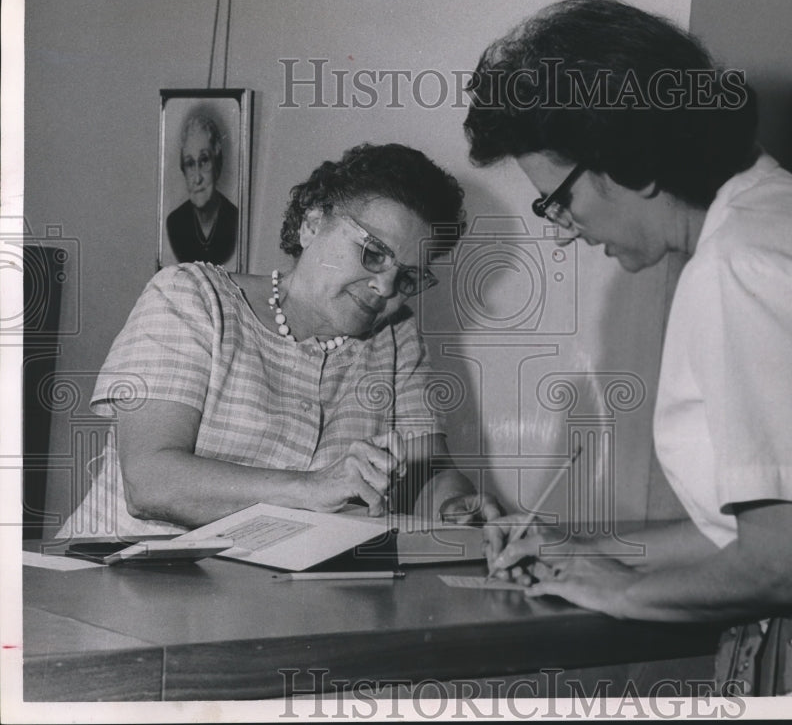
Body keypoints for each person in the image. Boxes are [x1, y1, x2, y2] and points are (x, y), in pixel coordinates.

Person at [465, 0, 792, 696]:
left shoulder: (741, 265)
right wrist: (582, 552)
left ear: (631, 164)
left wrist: (616, 591)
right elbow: (767, 526)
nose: (562, 228)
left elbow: (782, 566)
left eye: (558, 200)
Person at [59, 143, 501, 538]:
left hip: (253, 597)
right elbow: (150, 482)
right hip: (113, 583)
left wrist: (451, 505)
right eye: (373, 253)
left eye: (406, 277)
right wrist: (314, 489)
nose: (386, 288)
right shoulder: (190, 297)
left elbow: (428, 473)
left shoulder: (396, 336)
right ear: (312, 225)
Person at [166, 112, 239, 265]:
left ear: (217, 164)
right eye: (190, 164)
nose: (197, 178)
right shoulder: (175, 223)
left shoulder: (235, 219)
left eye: (204, 160)